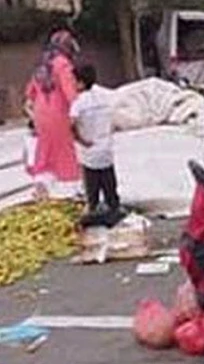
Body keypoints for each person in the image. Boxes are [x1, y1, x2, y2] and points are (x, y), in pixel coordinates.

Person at [24, 29, 81, 199]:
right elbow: (70, 94)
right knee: (65, 153)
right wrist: (78, 115)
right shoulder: (63, 64)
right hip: (59, 114)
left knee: (45, 152)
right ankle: (72, 192)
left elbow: (29, 96)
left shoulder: (42, 65)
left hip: (41, 115)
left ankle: (41, 188)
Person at [69, 64, 122, 227]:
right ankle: (114, 213)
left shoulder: (79, 103)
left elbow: (71, 125)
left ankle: (94, 217)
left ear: (81, 83)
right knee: (109, 184)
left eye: (74, 81)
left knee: (92, 189)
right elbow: (115, 118)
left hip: (89, 151)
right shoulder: (105, 96)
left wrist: (81, 140)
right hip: (105, 148)